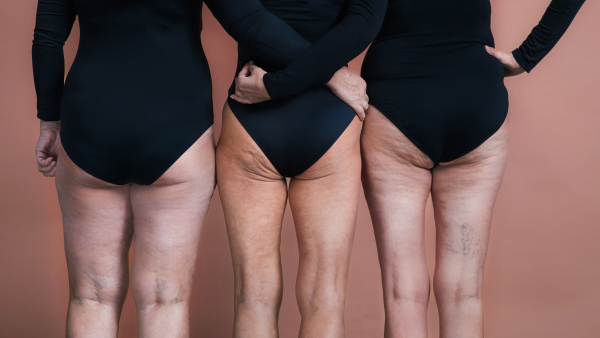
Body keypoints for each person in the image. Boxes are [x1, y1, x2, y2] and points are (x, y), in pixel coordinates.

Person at [32, 0, 367, 336]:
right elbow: (249, 22)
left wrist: (50, 121)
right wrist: (331, 73)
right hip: (177, 126)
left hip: (91, 120)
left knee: (91, 298)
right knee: (166, 300)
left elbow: (47, 39)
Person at [358, 0, 587, 336]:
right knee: (464, 291)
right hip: (476, 95)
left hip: (397, 97)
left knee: (401, 291)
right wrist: (527, 56)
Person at [216, 0, 386, 336]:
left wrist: (277, 85)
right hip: (329, 120)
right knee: (326, 297)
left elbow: (246, 19)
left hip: (251, 112)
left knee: (253, 295)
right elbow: (363, 22)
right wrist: (331, 76)